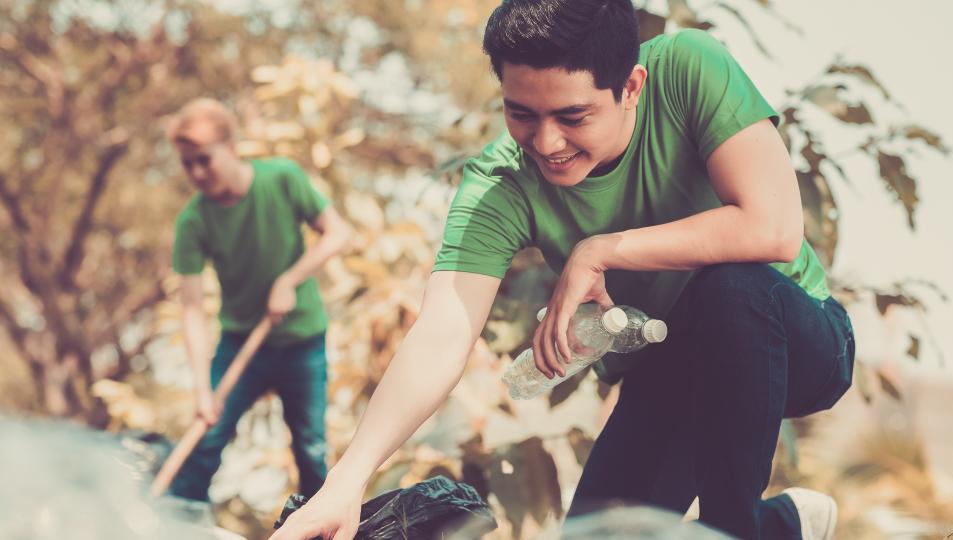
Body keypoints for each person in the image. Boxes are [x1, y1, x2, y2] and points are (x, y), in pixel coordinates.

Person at [270, 1, 855, 538]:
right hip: (673, 373)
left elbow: (773, 227)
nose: (546, 142)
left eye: (573, 116)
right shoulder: (499, 185)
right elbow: (441, 334)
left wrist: (599, 249)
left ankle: (738, 529)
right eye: (521, 113)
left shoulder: (687, 66)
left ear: (630, 86)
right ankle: (780, 525)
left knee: (730, 286)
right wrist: (345, 483)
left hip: (796, 343)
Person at [165, 98, 350, 503]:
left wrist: (290, 279)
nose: (196, 172)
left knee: (311, 451)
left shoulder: (282, 178)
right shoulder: (193, 222)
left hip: (302, 341)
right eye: (187, 163)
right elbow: (192, 309)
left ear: (230, 147)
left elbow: (337, 233)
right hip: (240, 345)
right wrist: (201, 388)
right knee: (204, 443)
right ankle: (177, 525)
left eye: (203, 159)